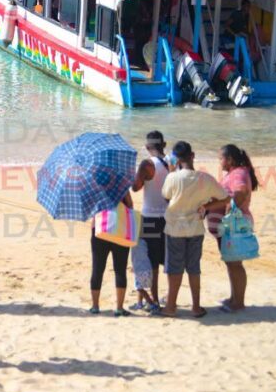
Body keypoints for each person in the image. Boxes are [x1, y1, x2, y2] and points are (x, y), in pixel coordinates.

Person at [160, 141, 230, 318]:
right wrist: (207, 205)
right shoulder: (205, 179)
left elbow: (166, 196)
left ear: (176, 159)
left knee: (174, 269)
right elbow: (225, 198)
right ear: (192, 156)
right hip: (196, 228)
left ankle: (171, 306)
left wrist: (171, 171)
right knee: (193, 268)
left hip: (175, 228)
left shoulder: (172, 177)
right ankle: (196, 307)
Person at [202, 144, 259, 313]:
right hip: (228, 227)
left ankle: (238, 302)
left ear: (230, 159)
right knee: (231, 263)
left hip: (233, 225)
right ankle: (234, 297)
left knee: (235, 264)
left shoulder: (238, 173)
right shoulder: (235, 173)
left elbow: (240, 192)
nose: (220, 162)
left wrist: (229, 206)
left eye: (221, 158)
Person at [131, 130, 169, 306]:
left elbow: (136, 187)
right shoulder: (172, 162)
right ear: (164, 144)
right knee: (167, 258)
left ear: (147, 147)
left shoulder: (147, 164)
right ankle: (169, 296)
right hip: (168, 217)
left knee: (152, 260)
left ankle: (153, 299)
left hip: (150, 218)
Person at [89, 191, 135, 316]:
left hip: (100, 229)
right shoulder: (122, 185)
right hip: (120, 228)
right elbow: (130, 205)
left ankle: (95, 306)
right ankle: (119, 308)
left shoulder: (95, 186)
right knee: (120, 269)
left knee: (97, 268)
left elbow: (91, 207)